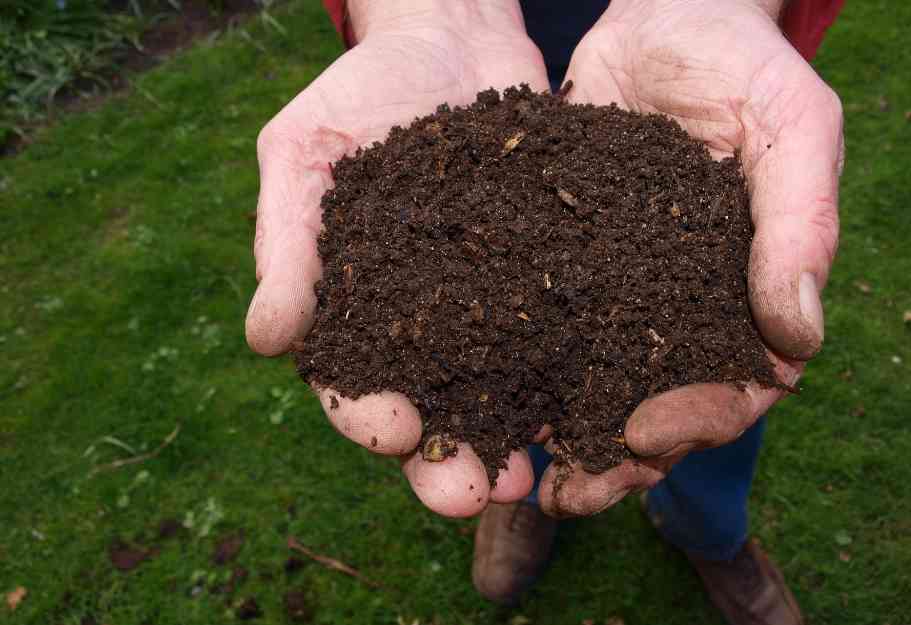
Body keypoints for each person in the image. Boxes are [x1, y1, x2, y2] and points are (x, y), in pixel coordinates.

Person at [246, 1, 845, 623]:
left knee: (711, 395)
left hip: (672, 58)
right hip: (484, 38)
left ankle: (712, 537)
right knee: (504, 399)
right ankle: (516, 484)